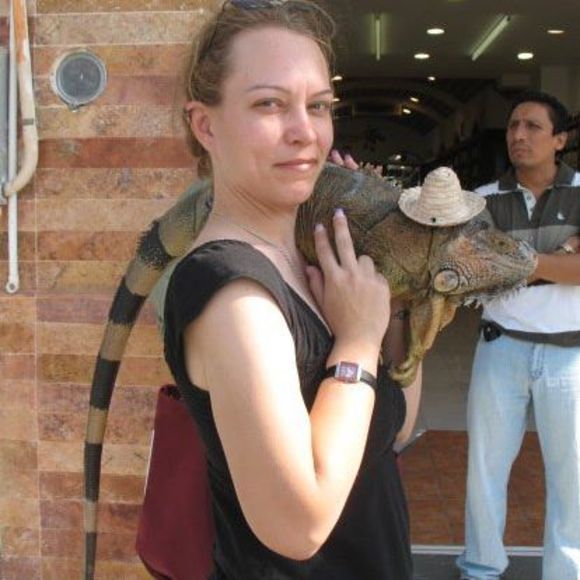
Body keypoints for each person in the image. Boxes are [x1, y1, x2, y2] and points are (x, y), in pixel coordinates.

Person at [160, 1, 422, 578]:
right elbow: (297, 526)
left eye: (319, 106)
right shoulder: (233, 294)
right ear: (206, 125)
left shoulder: (308, 264)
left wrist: (395, 301)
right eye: (269, 104)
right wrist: (357, 342)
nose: (306, 132)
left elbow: (393, 428)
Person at [457, 90, 580, 580]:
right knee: (485, 468)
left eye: (532, 126)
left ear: (560, 139)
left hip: (570, 354)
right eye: (513, 126)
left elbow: (506, 265)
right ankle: (481, 567)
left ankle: (566, 572)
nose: (519, 135)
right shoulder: (483, 199)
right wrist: (560, 257)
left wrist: (518, 261)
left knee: (572, 475)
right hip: (500, 345)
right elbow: (480, 270)